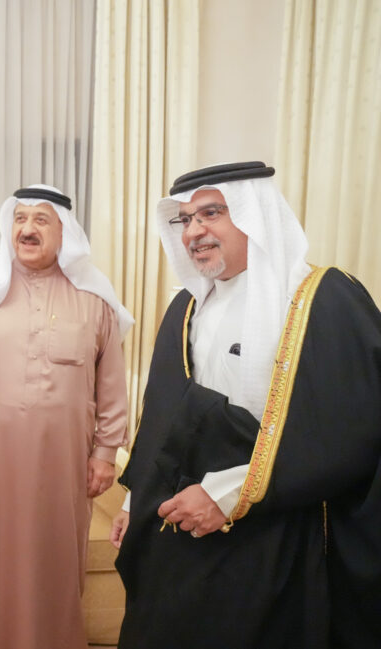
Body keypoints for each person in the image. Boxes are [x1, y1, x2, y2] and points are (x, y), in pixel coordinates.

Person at [111, 162, 381, 649]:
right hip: (182, 523)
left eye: (211, 213)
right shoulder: (187, 306)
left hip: (277, 533)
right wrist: (136, 501)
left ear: (255, 214)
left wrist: (230, 494)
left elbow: (348, 428)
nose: (193, 231)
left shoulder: (322, 298)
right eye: (185, 219)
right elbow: (162, 414)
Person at [0, 184, 133, 649]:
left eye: (41, 219)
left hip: (63, 462)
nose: (27, 228)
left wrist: (105, 453)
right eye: (20, 219)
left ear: (65, 233)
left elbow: (111, 388)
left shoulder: (94, 302)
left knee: (54, 555)